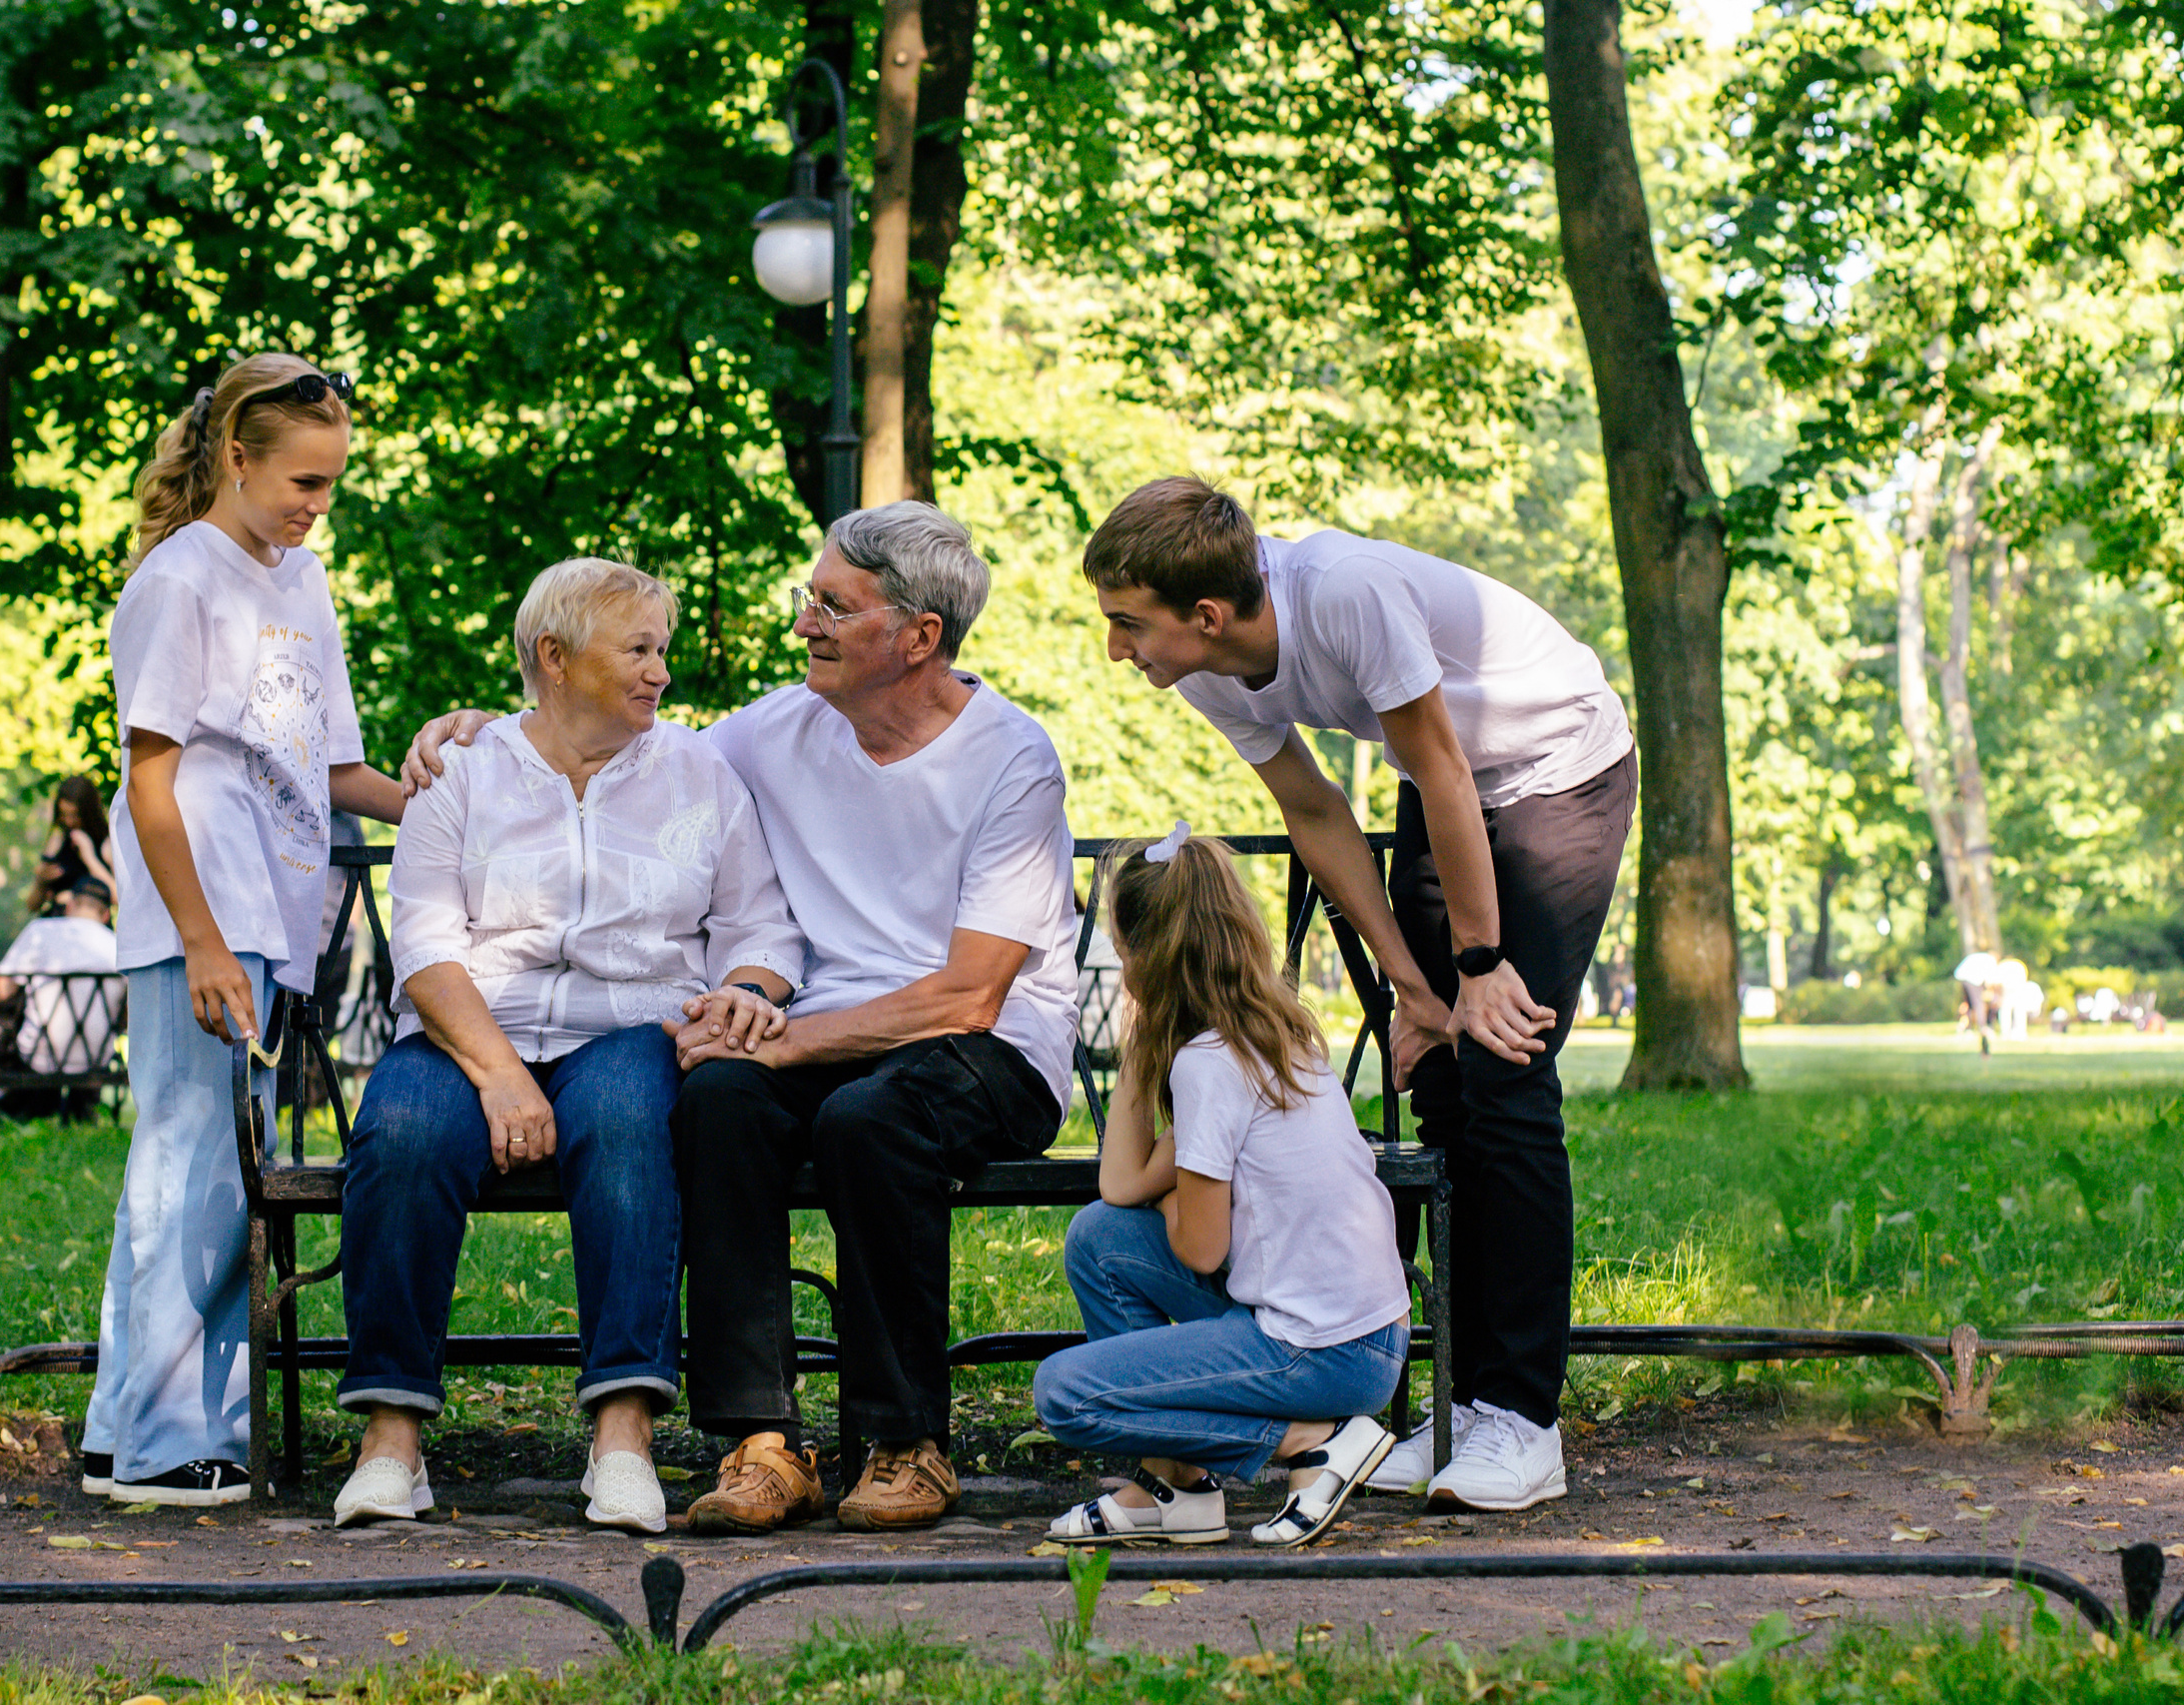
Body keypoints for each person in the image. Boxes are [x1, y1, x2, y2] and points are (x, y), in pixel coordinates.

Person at [405, 500, 1081, 1536]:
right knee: (720, 1097)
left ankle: (906, 1443)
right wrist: (476, 734)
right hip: (821, 1033)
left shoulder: (1009, 757)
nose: (804, 622)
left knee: (869, 1121)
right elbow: (605, 737)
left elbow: (968, 994)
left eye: (832, 606)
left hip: (983, 1049)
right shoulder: (777, 729)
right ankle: (761, 1442)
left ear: (918, 637)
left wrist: (784, 1034)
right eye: (808, 598)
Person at [1084, 475, 1635, 1514]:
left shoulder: (1347, 592)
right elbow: (1316, 811)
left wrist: (1478, 971)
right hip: (1448, 785)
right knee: (1436, 1077)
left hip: (1556, 767)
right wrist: (1412, 992)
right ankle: (1457, 1409)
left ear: (1202, 615)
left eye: (1127, 625)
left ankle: (1522, 1419)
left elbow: (1440, 762)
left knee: (1504, 1073)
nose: (1118, 649)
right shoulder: (1209, 674)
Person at [330, 557, 805, 1533]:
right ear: (553, 656)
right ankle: (391, 1436)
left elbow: (761, 927)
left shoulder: (700, 773)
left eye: (662, 650)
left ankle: (620, 1436)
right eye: (637, 649)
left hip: (631, 1025)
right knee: (405, 1129)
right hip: (468, 1032)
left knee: (629, 1120)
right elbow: (424, 945)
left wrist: (749, 991)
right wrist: (501, 1078)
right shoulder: (460, 772)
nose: (659, 673)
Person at [81, 354, 404, 1508]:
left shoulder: (297, 584)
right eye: (302, 483)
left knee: (210, 1164)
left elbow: (331, 769)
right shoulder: (183, 582)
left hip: (274, 916)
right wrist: (204, 939)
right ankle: (171, 1444)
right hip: (201, 921)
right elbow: (151, 782)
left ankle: (125, 1428)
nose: (317, 507)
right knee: (196, 1168)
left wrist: (463, 794)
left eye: (332, 486)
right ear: (236, 455)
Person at [1034, 827, 1410, 1548]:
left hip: (1318, 1351)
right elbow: (1119, 1187)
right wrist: (1149, 1036)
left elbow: (1200, 1249)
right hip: (1368, 1334)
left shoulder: (1209, 1067)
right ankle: (1174, 1489)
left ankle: (1308, 1442)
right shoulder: (1271, 1035)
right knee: (1099, 1241)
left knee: (1066, 1392)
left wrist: (1177, 1199)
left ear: (1144, 956)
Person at [0, 878, 125, 1122]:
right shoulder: (120, 947)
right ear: (104, 915)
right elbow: (126, 1019)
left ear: (69, 907)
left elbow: (0, 992)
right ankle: (81, 1111)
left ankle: (13, 1104)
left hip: (37, 1055)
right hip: (95, 1059)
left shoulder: (40, 931)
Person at [25, 776, 118, 917]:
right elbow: (32, 905)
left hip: (90, 927)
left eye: (75, 815)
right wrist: (41, 881)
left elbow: (118, 898)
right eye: (63, 815)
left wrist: (89, 857)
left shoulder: (106, 842)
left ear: (88, 813)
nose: (69, 822)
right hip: (56, 922)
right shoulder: (57, 839)